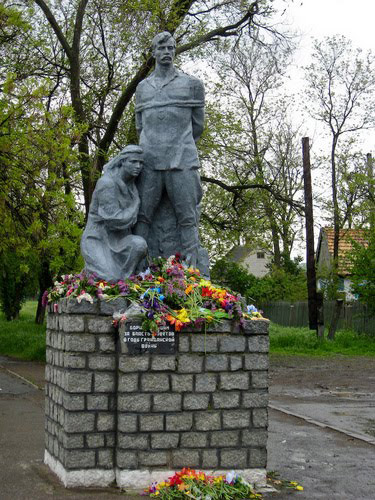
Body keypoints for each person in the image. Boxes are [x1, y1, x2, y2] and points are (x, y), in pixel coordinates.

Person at [134, 31, 205, 268]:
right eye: (161, 48)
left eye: (170, 48)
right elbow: (140, 126)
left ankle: (192, 271)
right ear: (153, 52)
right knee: (142, 215)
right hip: (150, 161)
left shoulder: (192, 85)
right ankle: (137, 266)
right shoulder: (142, 89)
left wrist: (176, 142)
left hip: (182, 159)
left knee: (187, 216)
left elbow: (198, 126)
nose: (166, 53)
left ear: (175, 51)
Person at [81, 145, 147, 281]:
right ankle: (109, 277)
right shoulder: (107, 183)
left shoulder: (132, 186)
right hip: (99, 239)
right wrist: (136, 204)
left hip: (120, 240)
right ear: (122, 161)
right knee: (110, 278)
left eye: (141, 163)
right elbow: (114, 220)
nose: (138, 166)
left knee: (139, 244)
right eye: (133, 161)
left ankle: (126, 280)